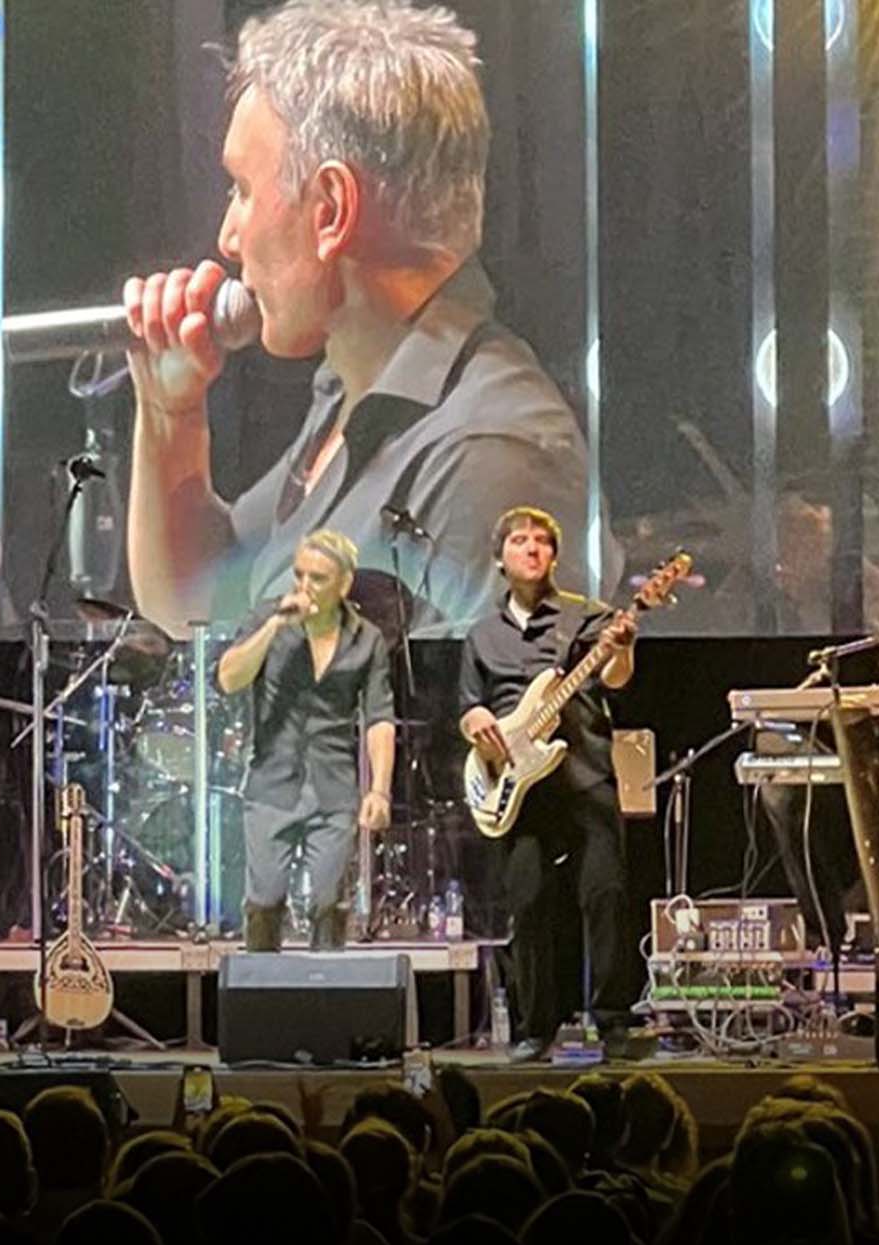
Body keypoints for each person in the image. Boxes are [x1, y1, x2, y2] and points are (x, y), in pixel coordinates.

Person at [121, 0, 612, 639]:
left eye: (242, 189)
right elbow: (204, 601)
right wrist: (170, 416)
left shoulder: (488, 460)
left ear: (330, 209)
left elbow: (521, 698)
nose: (228, 236)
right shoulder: (351, 387)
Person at [458, 507, 635, 1061]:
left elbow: (615, 679)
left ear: (555, 556)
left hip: (583, 774)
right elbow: (469, 707)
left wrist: (623, 647)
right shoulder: (481, 635)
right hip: (517, 786)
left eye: (542, 541)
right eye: (519, 540)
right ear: (500, 558)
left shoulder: (587, 618)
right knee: (529, 903)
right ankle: (535, 1028)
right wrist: (476, 723)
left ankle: (613, 1023)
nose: (532, 549)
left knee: (604, 895)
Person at [218, 529, 394, 949]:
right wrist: (276, 625)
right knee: (264, 901)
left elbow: (379, 718)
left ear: (344, 584)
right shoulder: (267, 617)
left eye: (318, 578)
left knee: (329, 902)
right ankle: (260, 982)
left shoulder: (367, 639)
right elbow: (229, 678)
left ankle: (327, 982)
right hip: (272, 783)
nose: (304, 586)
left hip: (334, 786)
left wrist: (380, 790)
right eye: (299, 575)